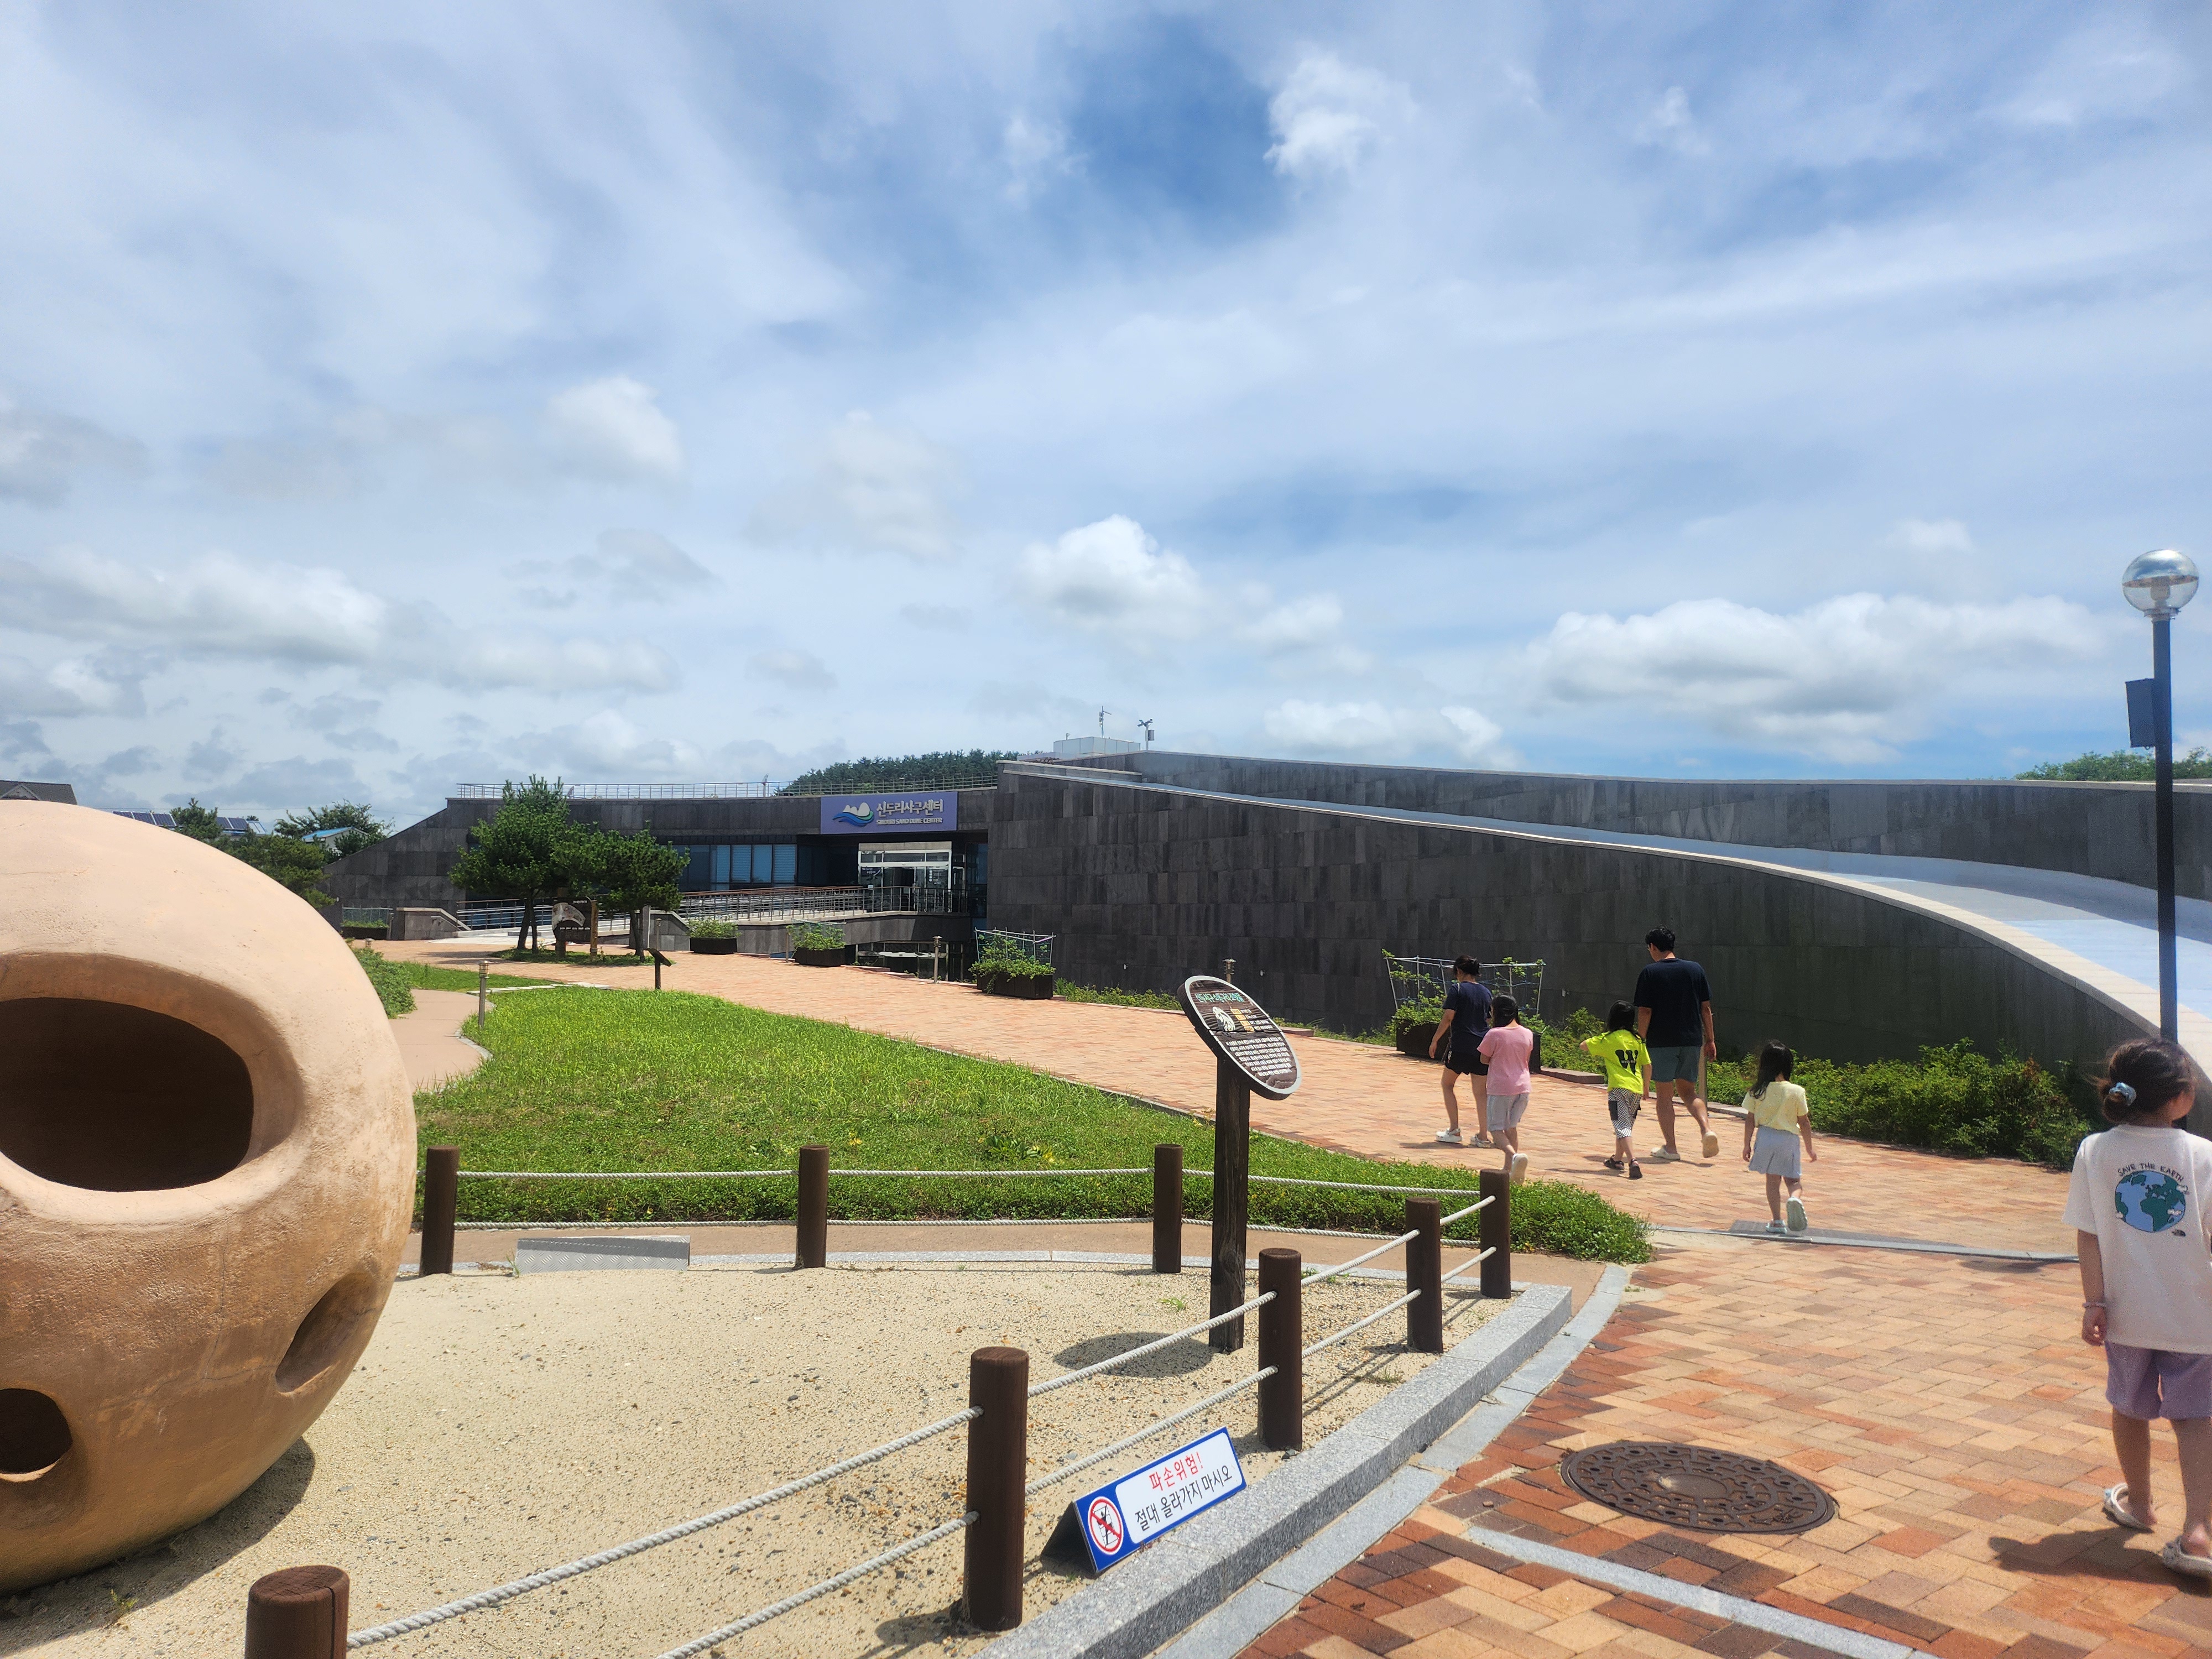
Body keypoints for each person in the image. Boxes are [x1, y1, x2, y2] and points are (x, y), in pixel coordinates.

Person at [2066, 1037, 2212, 1578]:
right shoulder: (2203, 1155)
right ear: (2179, 1098)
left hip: (2125, 1314)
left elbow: (2088, 1235)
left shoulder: (2095, 1151)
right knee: (2195, 1418)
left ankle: (2141, 1504)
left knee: (2129, 1407)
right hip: (2196, 1316)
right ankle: (2198, 1531)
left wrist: (2093, 1302)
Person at [1634, 927, 1721, 1162]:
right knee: (1689, 1092)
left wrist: (1640, 1039)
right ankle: (1707, 1130)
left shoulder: (1650, 972)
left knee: (1664, 1095)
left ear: (1653, 947)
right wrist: (1711, 1040)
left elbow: (1645, 1011)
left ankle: (1671, 1148)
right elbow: (1706, 1008)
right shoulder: (1695, 969)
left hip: (1661, 1042)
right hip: (1691, 1040)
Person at [1740, 1041, 1815, 1234]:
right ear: (1788, 1065)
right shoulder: (1797, 1091)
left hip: (1765, 1137)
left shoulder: (1757, 1091)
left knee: (1773, 1182)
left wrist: (1747, 1145)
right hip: (1789, 1139)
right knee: (1793, 1181)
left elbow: (1750, 1120)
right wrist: (1809, 1148)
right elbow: (1804, 1122)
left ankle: (1777, 1222)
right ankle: (1795, 1199)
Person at [1427, 957, 1493, 1147]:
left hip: (1461, 1045)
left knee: (1447, 1084)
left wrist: (1435, 1039)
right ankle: (1483, 1136)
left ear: (1459, 971)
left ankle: (1454, 1130)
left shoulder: (1457, 989)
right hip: (1482, 1047)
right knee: (1481, 1093)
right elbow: (1488, 1020)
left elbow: (1449, 1017)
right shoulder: (1486, 992)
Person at [1582, 1001, 1651, 1181]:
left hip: (1618, 1088)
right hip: (1636, 1088)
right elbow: (1648, 1065)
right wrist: (1646, 1088)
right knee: (1625, 1125)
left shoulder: (1608, 1039)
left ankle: (1633, 1161)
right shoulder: (1637, 1040)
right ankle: (1617, 1160)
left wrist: (1603, 1044)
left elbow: (1583, 1045)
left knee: (1622, 1127)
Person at [1477, 993, 1540, 1185]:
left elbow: (1484, 1059)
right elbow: (1526, 1058)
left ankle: (1514, 1157)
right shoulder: (1527, 1033)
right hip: (1523, 1087)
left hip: (1501, 1087)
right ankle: (1509, 1170)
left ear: (1497, 1012)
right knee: (1511, 1127)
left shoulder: (1494, 1034)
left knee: (1495, 1129)